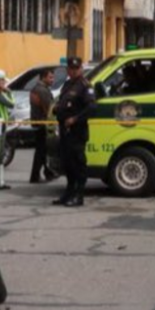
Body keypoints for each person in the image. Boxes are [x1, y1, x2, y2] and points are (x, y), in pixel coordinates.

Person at [53, 57, 96, 207]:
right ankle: (69, 193)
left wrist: (75, 119)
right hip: (65, 131)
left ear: (81, 69)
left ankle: (79, 195)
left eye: (76, 68)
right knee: (67, 164)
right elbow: (63, 101)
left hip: (77, 131)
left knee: (78, 164)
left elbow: (91, 107)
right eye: (71, 68)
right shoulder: (67, 84)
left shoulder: (85, 85)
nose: (73, 71)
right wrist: (57, 108)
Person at [29, 68, 57, 183]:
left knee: (43, 150)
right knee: (41, 150)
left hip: (38, 122)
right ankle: (35, 176)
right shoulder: (42, 91)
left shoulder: (37, 88)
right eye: (50, 77)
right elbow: (48, 109)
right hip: (42, 123)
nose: (52, 80)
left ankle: (48, 172)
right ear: (43, 77)